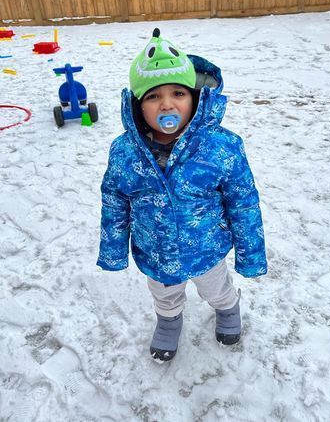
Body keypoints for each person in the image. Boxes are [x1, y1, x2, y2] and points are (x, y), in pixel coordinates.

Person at [97, 28, 267, 361]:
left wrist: (251, 255)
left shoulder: (221, 147)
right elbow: (114, 200)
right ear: (138, 105)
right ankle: (168, 322)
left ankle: (228, 309)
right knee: (164, 293)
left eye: (178, 92)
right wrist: (114, 249)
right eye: (152, 96)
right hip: (155, 251)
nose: (166, 104)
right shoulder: (125, 151)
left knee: (216, 288)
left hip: (207, 249)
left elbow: (244, 203)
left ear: (194, 97)